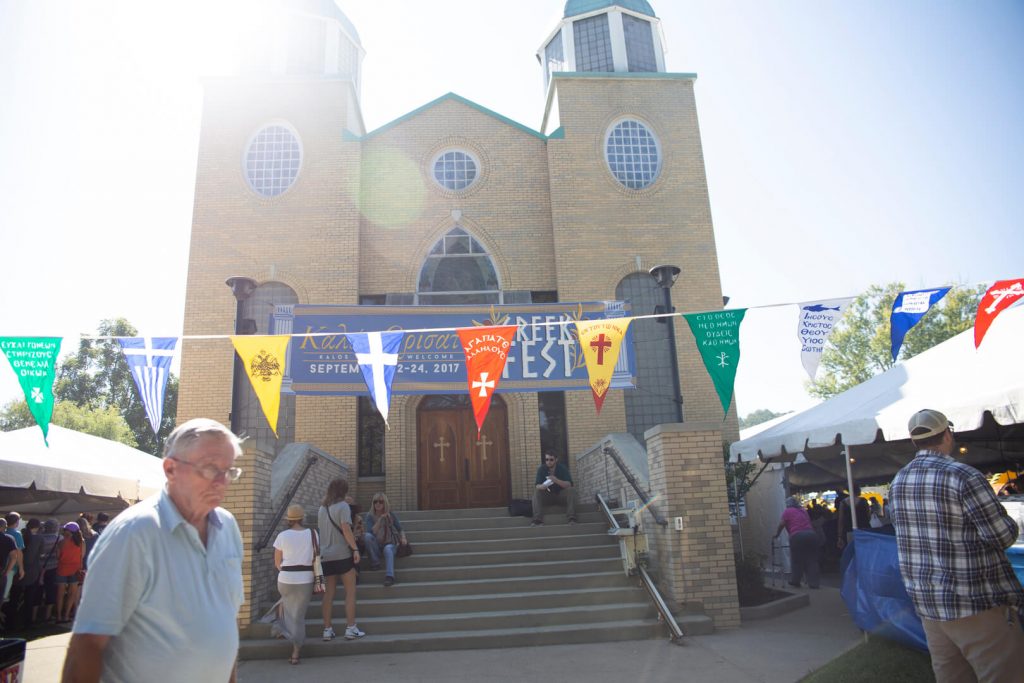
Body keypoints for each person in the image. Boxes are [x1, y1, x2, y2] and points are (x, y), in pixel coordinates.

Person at [61, 418, 245, 683]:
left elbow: (224, 626)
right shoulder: (135, 532)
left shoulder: (226, 526)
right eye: (209, 468)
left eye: (229, 471)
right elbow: (87, 645)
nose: (221, 481)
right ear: (170, 469)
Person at [889, 408, 1024, 682]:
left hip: (929, 604)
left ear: (914, 440)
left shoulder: (898, 481)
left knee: (952, 676)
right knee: (1003, 674)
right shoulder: (964, 475)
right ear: (947, 434)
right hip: (974, 601)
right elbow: (1002, 536)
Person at [317, 478, 364, 642]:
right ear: (343, 491)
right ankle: (351, 628)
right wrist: (355, 549)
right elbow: (346, 529)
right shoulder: (343, 506)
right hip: (342, 554)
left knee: (329, 593)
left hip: (325, 555)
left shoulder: (322, 509)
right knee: (350, 591)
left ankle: (327, 630)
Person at [272, 504, 316, 665]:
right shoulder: (312, 534)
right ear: (302, 518)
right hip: (305, 579)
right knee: (298, 616)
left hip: (285, 579)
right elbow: (316, 557)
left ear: (288, 520)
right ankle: (296, 652)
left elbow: (277, 563)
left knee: (285, 603)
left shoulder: (282, 536)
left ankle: (279, 629)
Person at [773, 496, 821, 589]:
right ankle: (814, 583)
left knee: (797, 560)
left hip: (797, 536)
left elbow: (782, 524)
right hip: (811, 535)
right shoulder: (803, 510)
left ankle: (795, 581)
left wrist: (777, 534)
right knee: (812, 560)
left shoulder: (788, 511)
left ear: (788, 504)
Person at [363, 492, 408, 587]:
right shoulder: (370, 516)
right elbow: (371, 533)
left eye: (381, 501)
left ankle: (389, 576)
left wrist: (403, 538)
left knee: (388, 549)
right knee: (366, 536)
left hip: (390, 544)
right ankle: (375, 563)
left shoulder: (390, 514)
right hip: (377, 547)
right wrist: (380, 520)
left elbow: (400, 529)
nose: (378, 504)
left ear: (385, 503)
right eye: (375, 501)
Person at [531, 453, 578, 526]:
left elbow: (569, 484)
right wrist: (542, 486)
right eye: (546, 459)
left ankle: (572, 518)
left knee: (572, 490)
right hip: (547, 496)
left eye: (551, 460)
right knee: (537, 492)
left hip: (560, 495)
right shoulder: (542, 469)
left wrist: (556, 480)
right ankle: (537, 519)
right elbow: (537, 485)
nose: (548, 462)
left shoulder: (562, 468)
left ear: (556, 460)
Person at [54, 522, 84, 624]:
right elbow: (82, 556)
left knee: (60, 594)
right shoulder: (81, 542)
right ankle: (66, 615)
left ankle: (58, 616)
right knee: (72, 594)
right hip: (75, 570)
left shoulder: (61, 542)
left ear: (68, 531)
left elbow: (58, 556)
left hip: (62, 568)